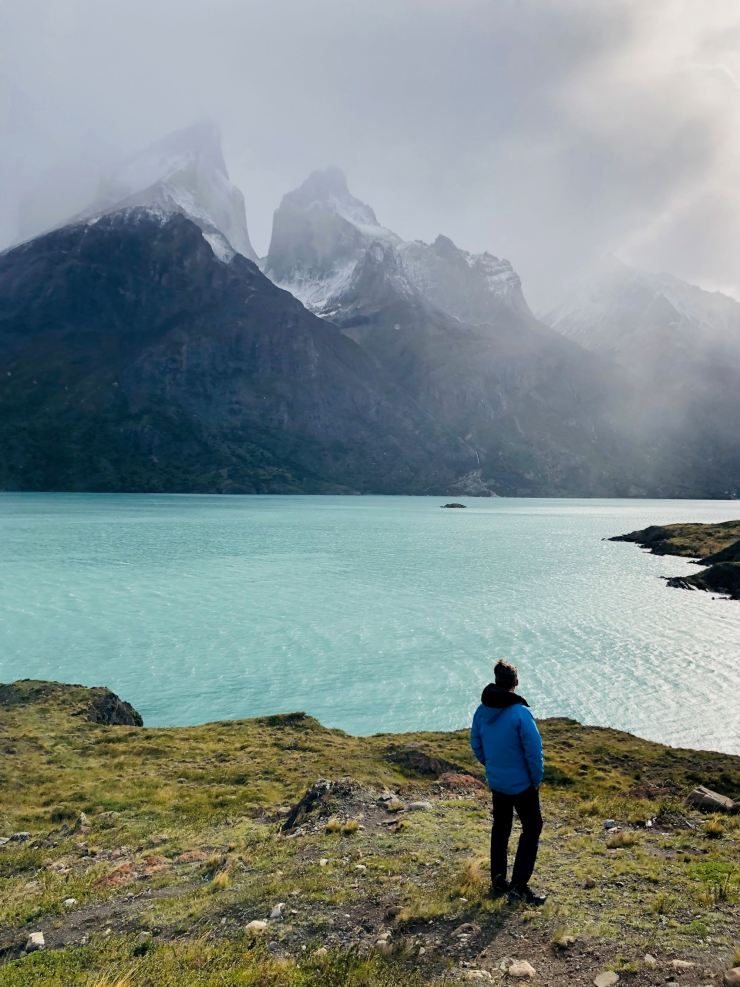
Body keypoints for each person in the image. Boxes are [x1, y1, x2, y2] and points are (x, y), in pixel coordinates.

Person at [470, 660, 546, 905]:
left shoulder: (482, 711)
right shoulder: (520, 713)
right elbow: (534, 752)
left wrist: (492, 766)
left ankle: (498, 881)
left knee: (501, 828)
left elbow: (476, 744)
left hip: (498, 782)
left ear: (496, 681)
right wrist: (536, 779)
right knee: (532, 828)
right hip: (522, 784)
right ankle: (519, 887)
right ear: (515, 682)